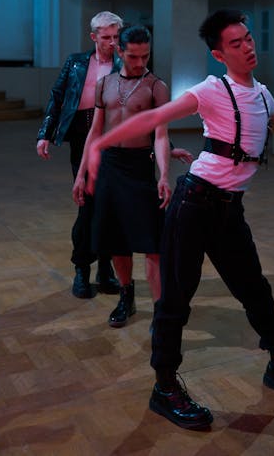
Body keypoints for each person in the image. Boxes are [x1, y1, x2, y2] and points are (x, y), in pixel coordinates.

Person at [80, 8, 274, 430]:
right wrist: (101, 146)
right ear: (218, 54)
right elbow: (155, 118)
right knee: (175, 299)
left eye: (248, 38)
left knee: (256, 291)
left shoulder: (264, 96)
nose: (248, 46)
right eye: (236, 43)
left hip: (230, 209)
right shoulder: (212, 89)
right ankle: (165, 387)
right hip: (194, 204)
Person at [73, 24, 173, 329]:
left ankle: (160, 309)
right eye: (133, 57)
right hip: (109, 167)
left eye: (145, 56)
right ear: (120, 51)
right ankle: (126, 297)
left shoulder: (157, 87)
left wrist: (165, 174)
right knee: (117, 239)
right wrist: (81, 175)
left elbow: (160, 135)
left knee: (152, 242)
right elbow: (95, 131)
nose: (140, 63)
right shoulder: (105, 84)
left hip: (140, 166)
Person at [36, 11, 123, 299]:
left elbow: (144, 110)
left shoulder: (125, 64)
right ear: (94, 36)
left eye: (115, 36)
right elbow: (58, 96)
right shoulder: (76, 62)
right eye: (106, 37)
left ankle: (106, 270)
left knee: (110, 207)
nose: (112, 42)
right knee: (87, 205)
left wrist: (166, 146)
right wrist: (45, 133)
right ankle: (82, 270)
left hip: (114, 139)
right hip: (81, 136)